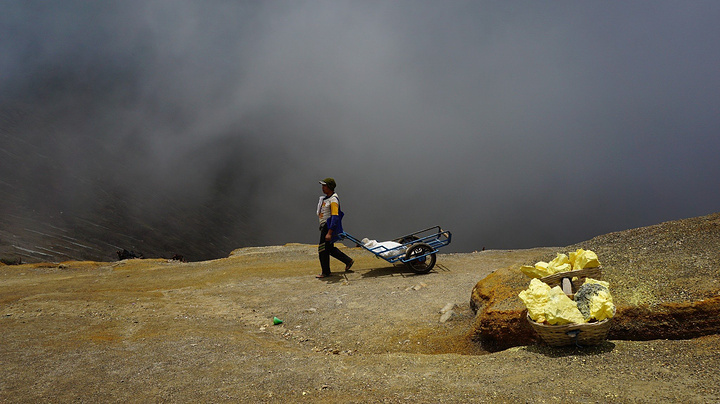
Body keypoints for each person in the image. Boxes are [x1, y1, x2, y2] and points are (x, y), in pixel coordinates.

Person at [316, 177, 354, 278]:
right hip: (325, 226)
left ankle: (326, 272)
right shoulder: (326, 198)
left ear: (330, 187)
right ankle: (348, 260)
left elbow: (335, 216)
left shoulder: (333, 200)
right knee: (329, 249)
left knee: (322, 249)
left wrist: (329, 232)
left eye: (324, 186)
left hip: (328, 227)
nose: (323, 188)